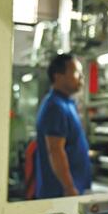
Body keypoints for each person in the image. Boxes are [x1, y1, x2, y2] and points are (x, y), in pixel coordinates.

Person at [35, 53, 92, 199]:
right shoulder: (54, 106)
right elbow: (55, 150)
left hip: (73, 190)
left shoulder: (66, 103)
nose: (81, 77)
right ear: (58, 76)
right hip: (60, 194)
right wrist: (69, 188)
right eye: (76, 72)